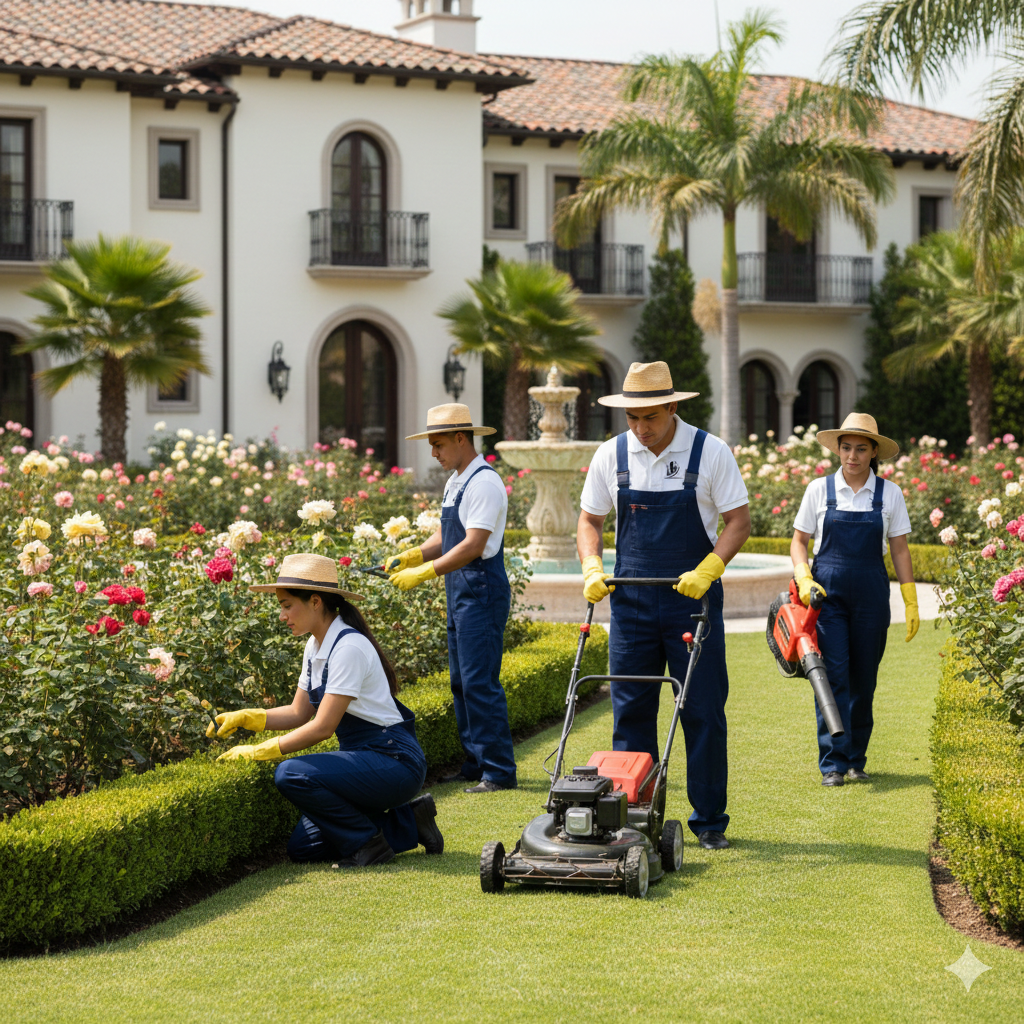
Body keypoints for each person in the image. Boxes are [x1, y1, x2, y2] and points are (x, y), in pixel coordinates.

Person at [577, 361, 750, 850]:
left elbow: (738, 520)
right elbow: (589, 520)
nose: (640, 428)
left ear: (673, 406)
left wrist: (710, 568)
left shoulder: (709, 452)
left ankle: (710, 821)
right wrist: (592, 566)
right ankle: (635, 817)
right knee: (629, 712)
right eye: (632, 417)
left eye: (649, 417)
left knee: (701, 710)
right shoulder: (611, 455)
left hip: (690, 604)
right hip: (629, 604)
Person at [209, 553, 444, 866]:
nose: (282, 616)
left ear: (315, 601)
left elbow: (322, 727)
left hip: (394, 762)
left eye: (287, 605)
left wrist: (260, 751)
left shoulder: (349, 647)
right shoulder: (315, 645)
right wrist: (246, 718)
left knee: (290, 773)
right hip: (363, 763)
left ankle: (370, 847)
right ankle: (412, 822)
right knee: (304, 849)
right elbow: (298, 713)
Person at [386, 403, 516, 793]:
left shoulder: (484, 483)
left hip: (481, 589)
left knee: (480, 682)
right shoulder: (457, 479)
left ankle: (499, 772)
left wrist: (425, 572)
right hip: (461, 590)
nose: (434, 453)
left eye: (439, 444)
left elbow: (474, 545)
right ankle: (476, 763)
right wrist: (413, 554)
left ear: (462, 438)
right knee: (461, 682)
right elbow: (448, 535)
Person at [790, 413, 918, 786]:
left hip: (871, 595)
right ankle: (832, 763)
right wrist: (804, 577)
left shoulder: (889, 494)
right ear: (838, 450)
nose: (852, 456)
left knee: (864, 680)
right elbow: (799, 542)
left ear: (874, 452)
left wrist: (909, 597)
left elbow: (900, 549)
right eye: (846, 448)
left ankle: (856, 760)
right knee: (832, 679)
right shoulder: (818, 490)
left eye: (861, 449)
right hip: (826, 597)